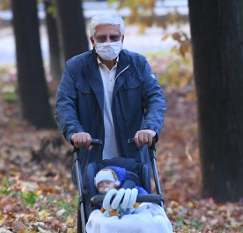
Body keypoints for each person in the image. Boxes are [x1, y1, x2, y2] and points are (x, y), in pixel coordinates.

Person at [55, 11, 166, 173]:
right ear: (92, 40)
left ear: (122, 39)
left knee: (137, 197)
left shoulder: (137, 64)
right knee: (92, 197)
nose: (108, 42)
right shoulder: (76, 67)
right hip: (92, 159)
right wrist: (75, 131)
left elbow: (155, 99)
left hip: (132, 158)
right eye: (102, 38)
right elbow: (64, 105)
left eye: (113, 37)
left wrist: (150, 128)